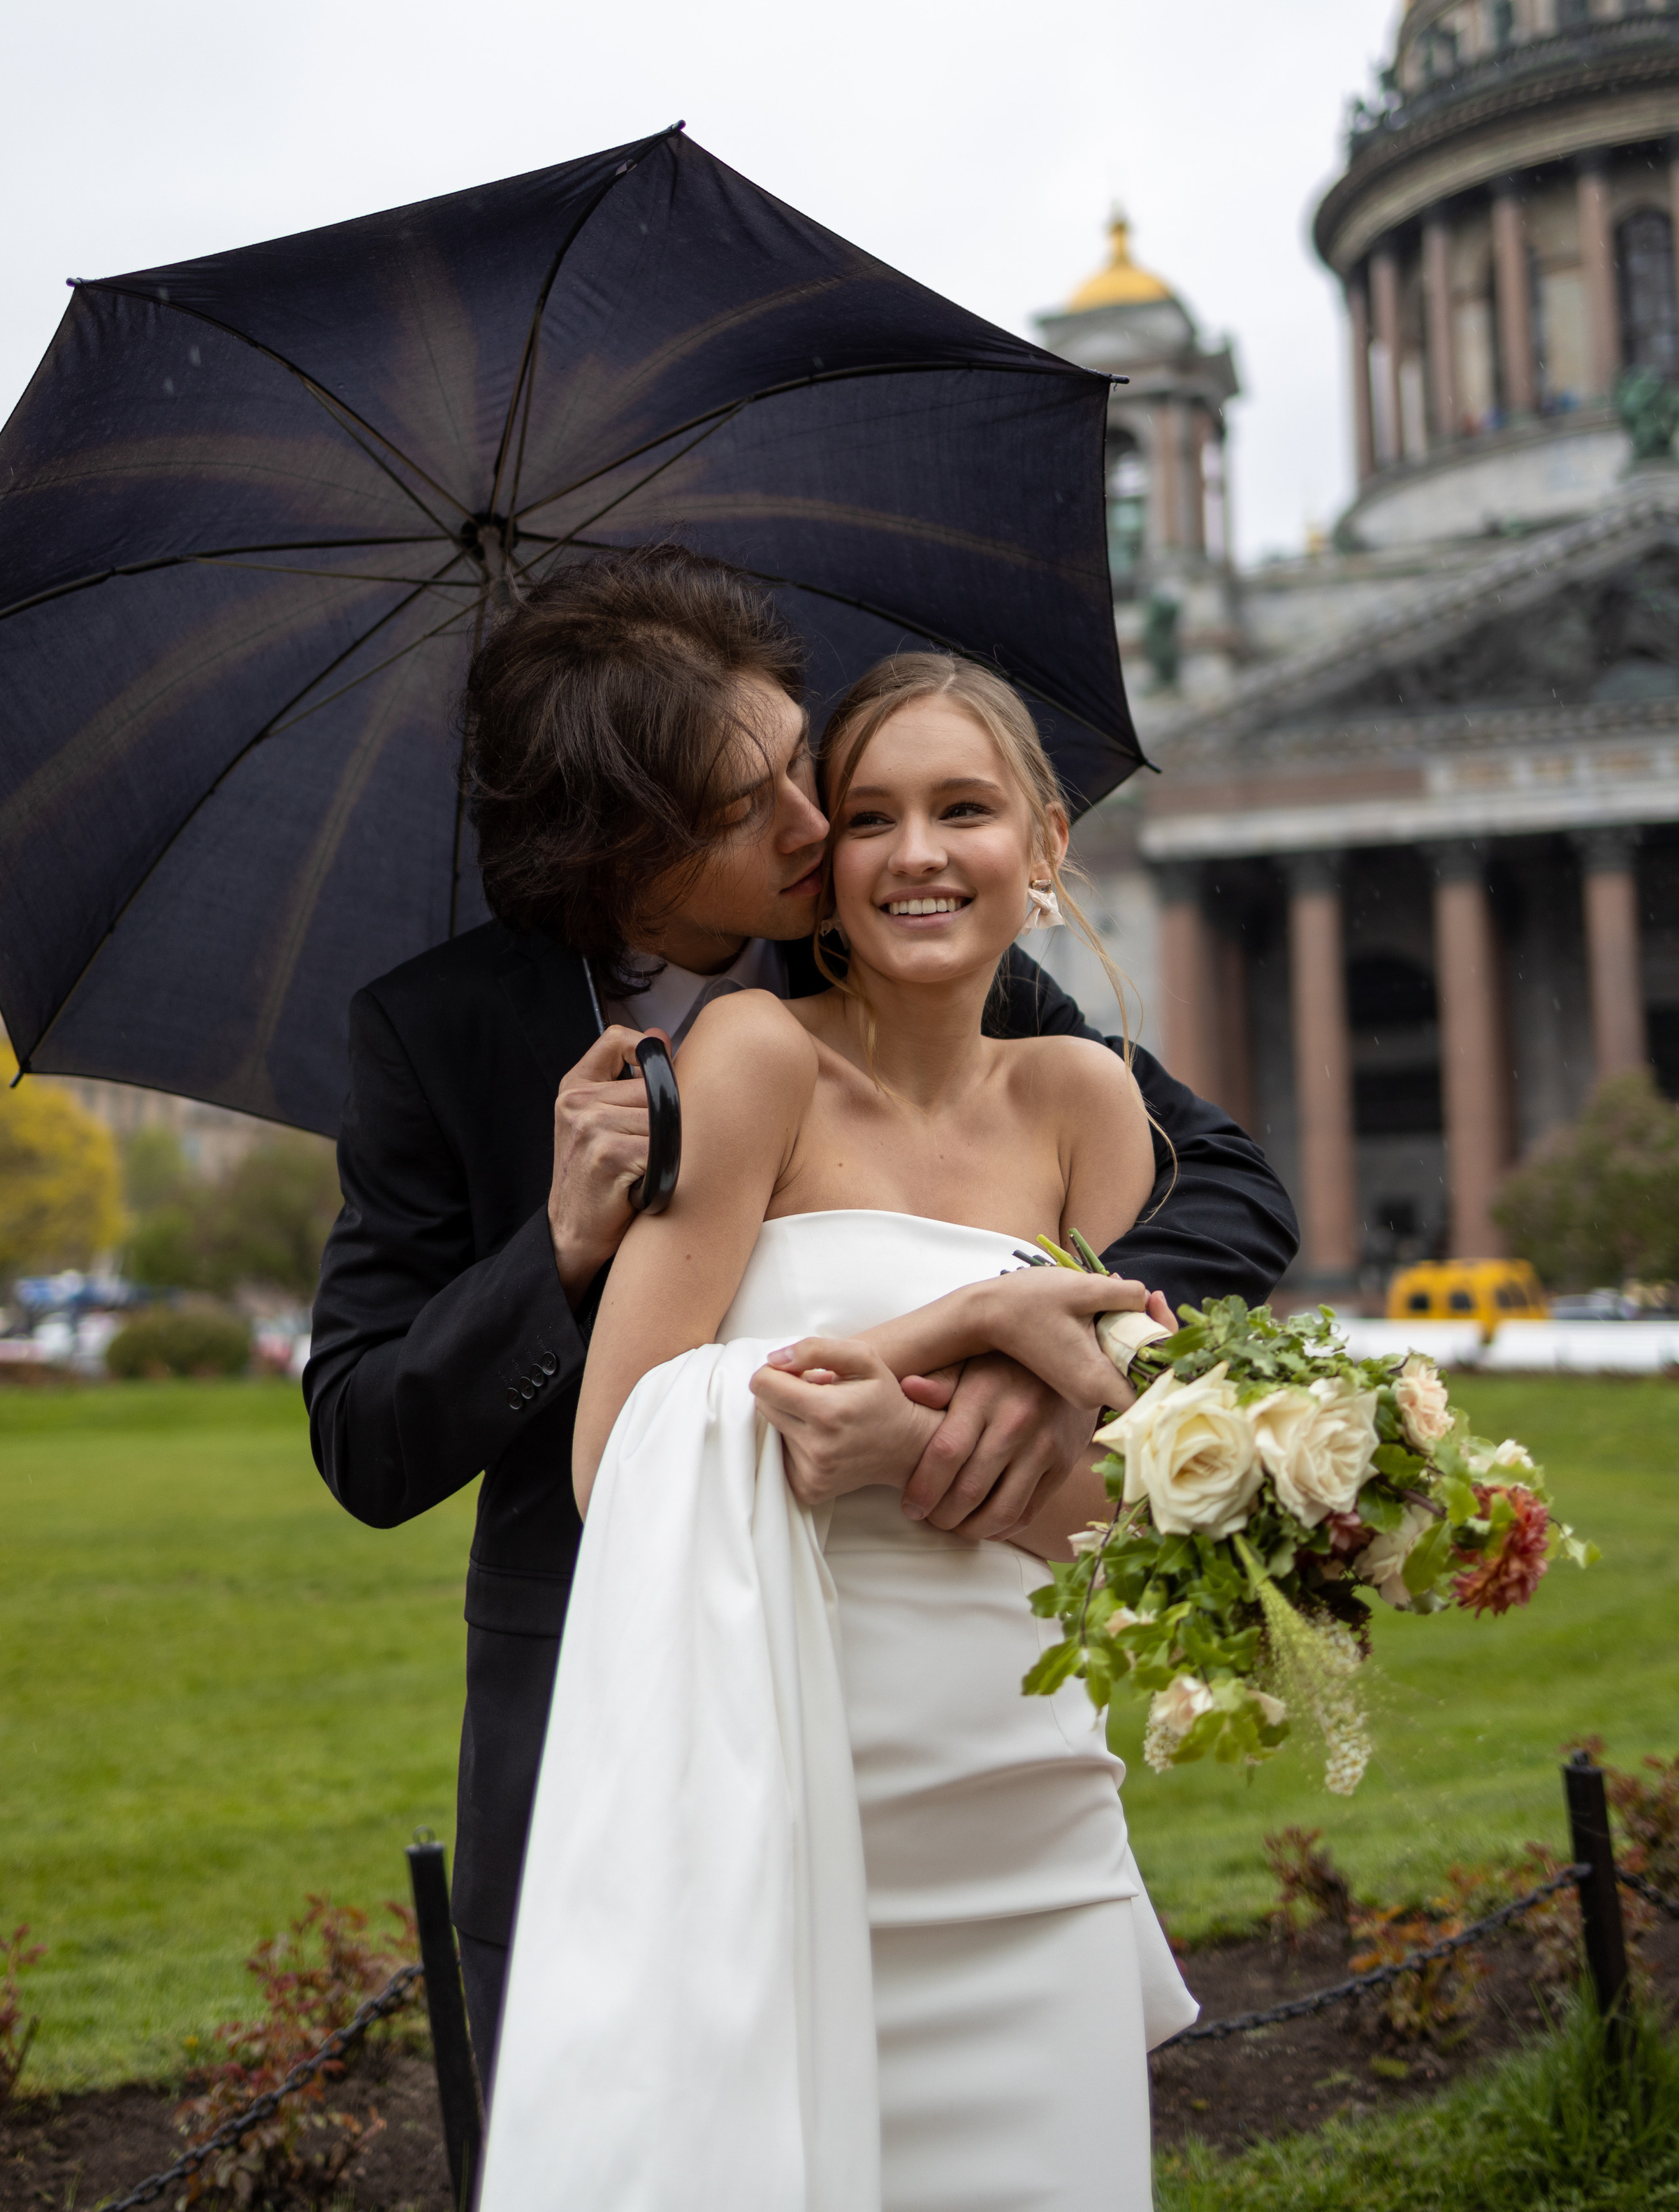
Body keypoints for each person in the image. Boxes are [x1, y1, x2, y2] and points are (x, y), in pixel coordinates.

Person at [303, 547, 1297, 2089]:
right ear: (616, 846)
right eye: (742, 804)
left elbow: (1225, 1185)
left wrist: (1056, 1341)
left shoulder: (892, 944)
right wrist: (555, 1249)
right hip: (598, 1682)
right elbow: (367, 1440)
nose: (814, 823)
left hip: (930, 1693)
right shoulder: (431, 1036)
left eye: (793, 759)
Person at [481, 651, 1198, 2211]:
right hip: (795, 1804)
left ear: (1046, 842)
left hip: (1028, 1814)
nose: (914, 854)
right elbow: (619, 1449)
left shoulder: (1090, 1104)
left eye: (963, 810)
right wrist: (960, 1322)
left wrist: (905, 1445)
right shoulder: (754, 1055)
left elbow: (1125, 1520)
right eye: (868, 817)